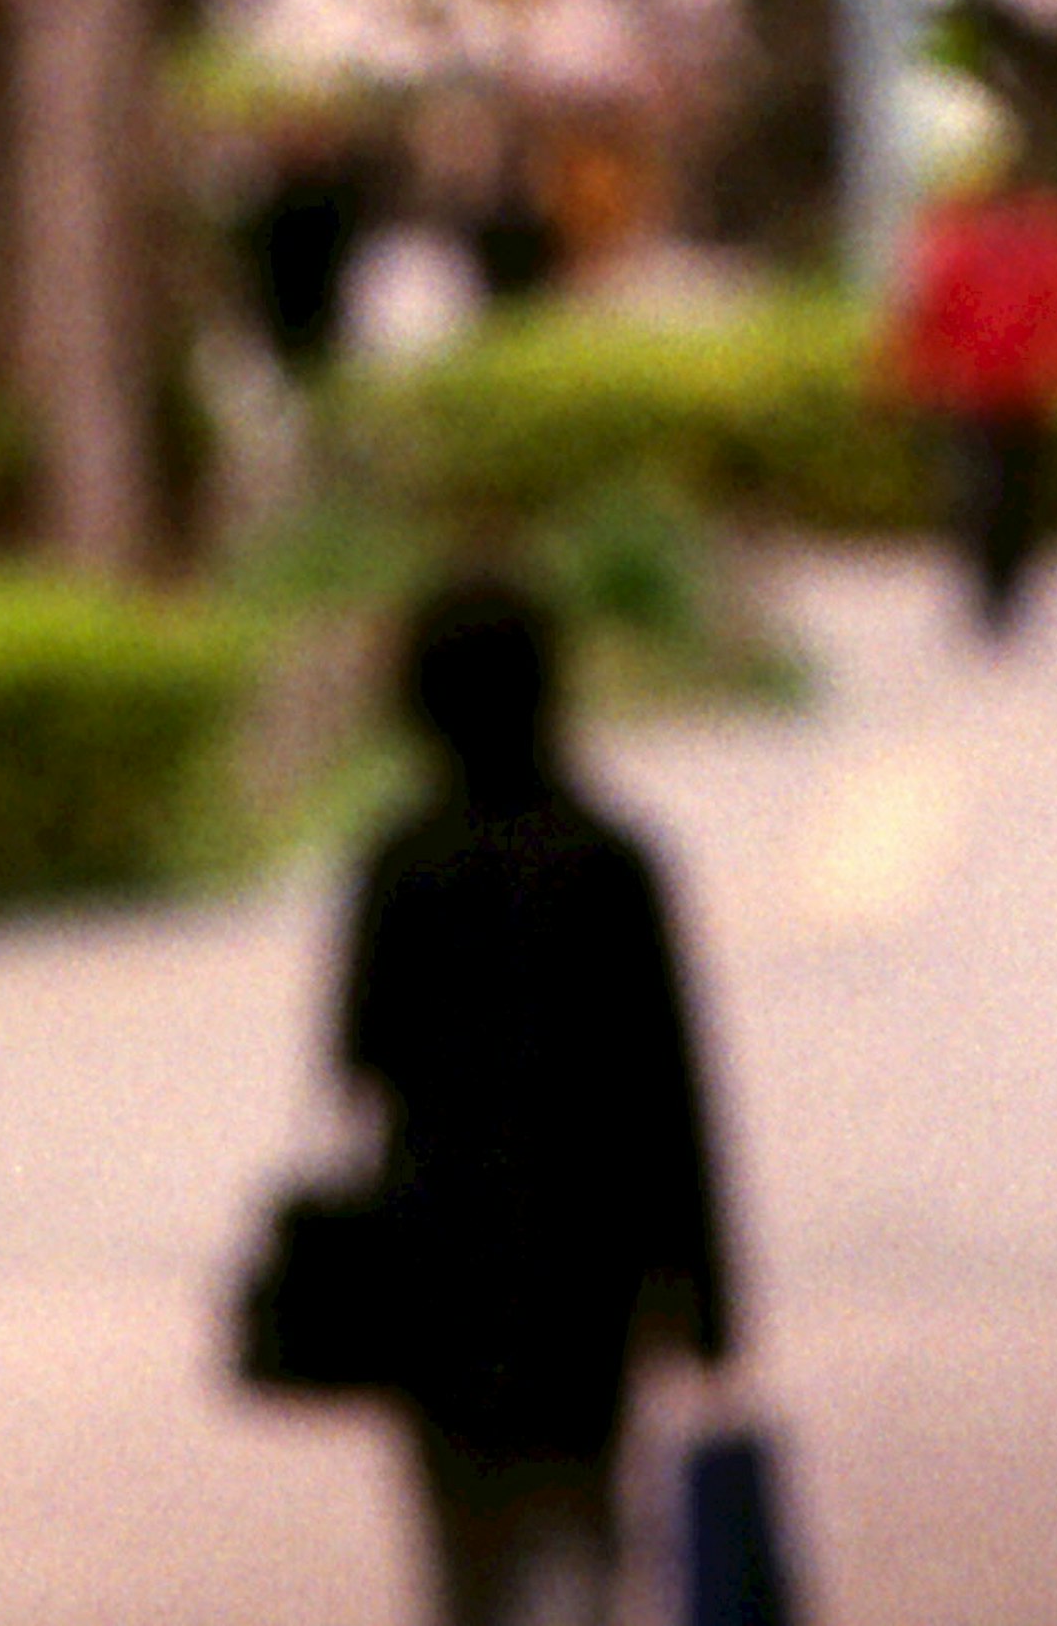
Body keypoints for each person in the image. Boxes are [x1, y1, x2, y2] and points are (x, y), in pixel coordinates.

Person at [336, 576, 734, 1626]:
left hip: (438, 1255)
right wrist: (707, 1294)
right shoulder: (611, 860)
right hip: (586, 1259)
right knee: (579, 1524)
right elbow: (673, 1091)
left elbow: (358, 1057)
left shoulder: (401, 858)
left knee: (462, 1554)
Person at [883, 127, 1057, 637]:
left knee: (1016, 496)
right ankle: (992, 594)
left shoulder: (1036, 232)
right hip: (981, 388)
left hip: (1024, 387)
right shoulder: (958, 233)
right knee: (989, 494)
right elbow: (928, 310)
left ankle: (1006, 593)